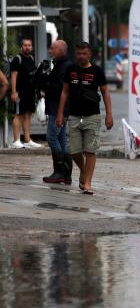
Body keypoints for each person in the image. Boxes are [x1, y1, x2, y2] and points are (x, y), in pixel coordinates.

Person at [56, 42, 113, 195]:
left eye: (84, 54)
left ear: (90, 55)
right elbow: (64, 93)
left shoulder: (97, 71)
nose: (81, 56)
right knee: (74, 151)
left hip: (92, 116)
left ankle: (87, 182)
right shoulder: (70, 70)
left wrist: (109, 114)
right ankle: (83, 171)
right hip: (74, 116)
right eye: (79, 53)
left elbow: (105, 92)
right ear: (76, 54)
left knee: (90, 151)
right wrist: (60, 113)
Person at [39, 40, 74, 184]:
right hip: (58, 107)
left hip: (58, 108)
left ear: (62, 51)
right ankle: (66, 174)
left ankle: (60, 172)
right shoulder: (61, 65)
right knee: (61, 140)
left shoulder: (65, 66)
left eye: (53, 48)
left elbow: (60, 89)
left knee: (52, 137)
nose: (50, 50)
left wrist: (46, 82)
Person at [10, 38, 42, 148]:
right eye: (25, 45)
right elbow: (13, 77)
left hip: (30, 92)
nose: (27, 47)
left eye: (29, 45)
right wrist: (14, 92)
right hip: (20, 93)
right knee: (18, 115)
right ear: (21, 46)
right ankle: (16, 141)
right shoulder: (17, 59)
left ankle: (28, 140)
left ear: (32, 47)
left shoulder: (31, 58)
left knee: (28, 115)